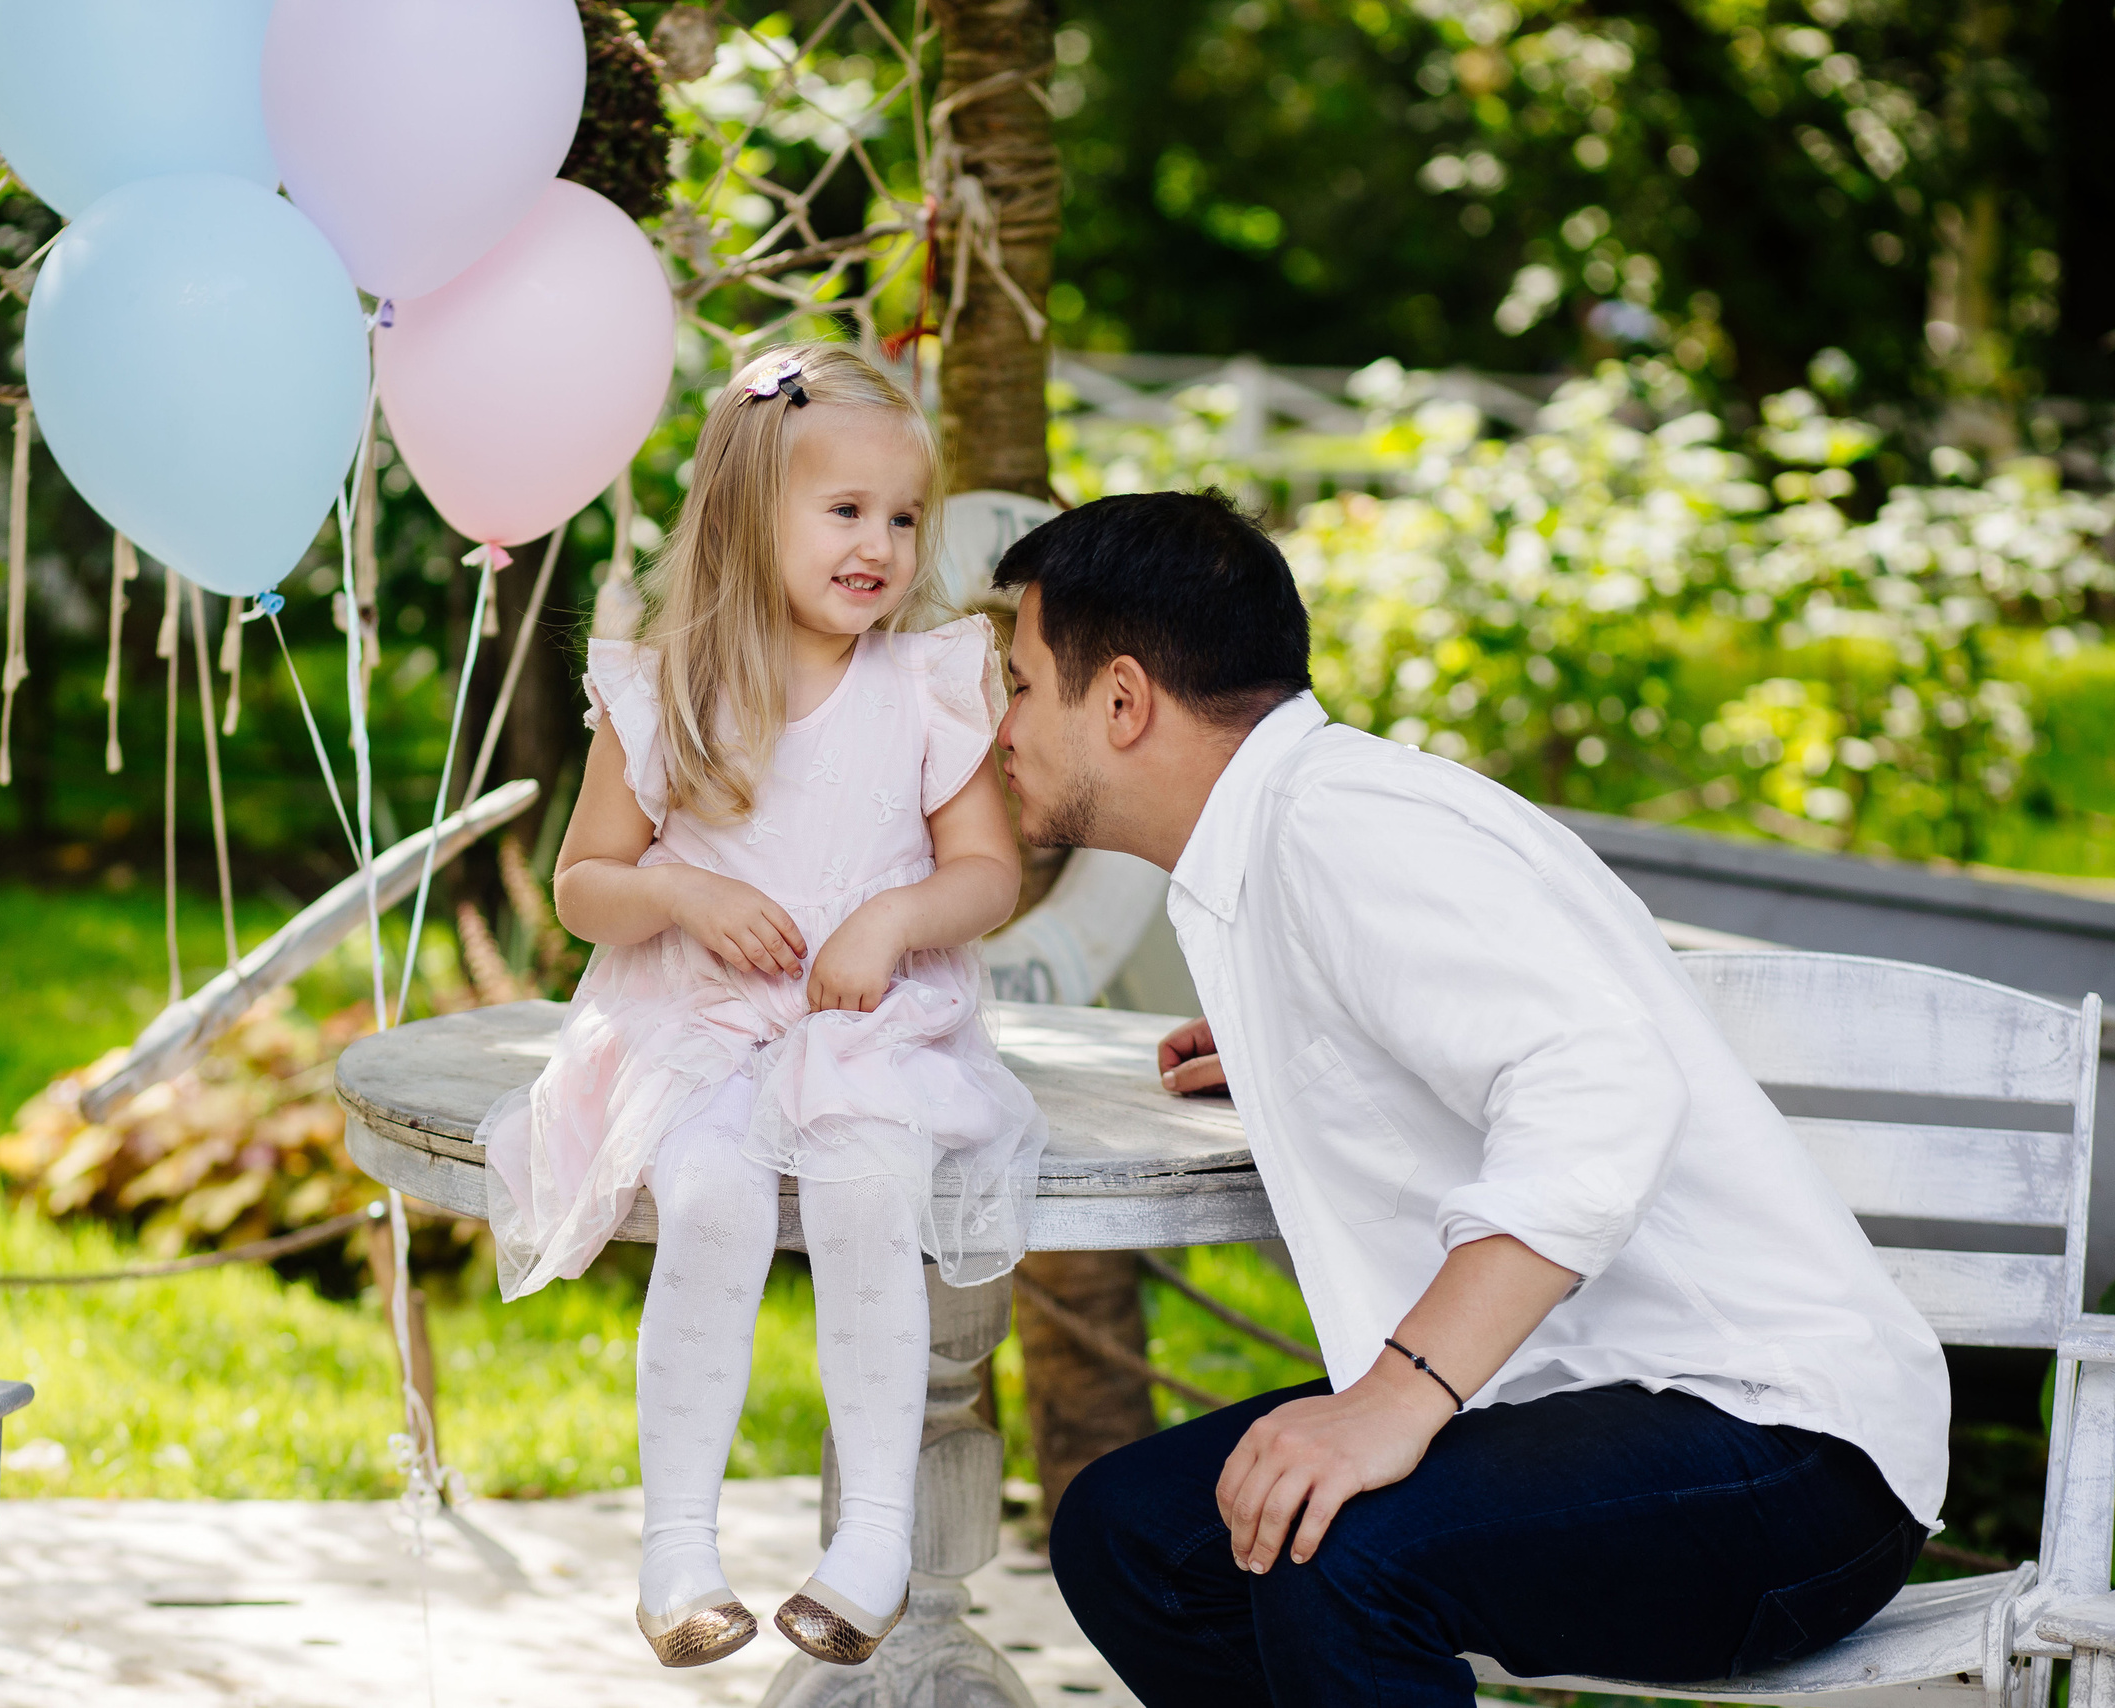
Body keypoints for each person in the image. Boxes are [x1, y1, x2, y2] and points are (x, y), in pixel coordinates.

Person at [987, 488, 1949, 1706]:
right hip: (1587, 1401)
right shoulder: (1290, 837)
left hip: (1780, 1449)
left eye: (1021, 683)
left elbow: (1601, 1088)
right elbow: (1490, 1025)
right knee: (1135, 1535)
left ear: (1122, 701)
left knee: (1334, 1554)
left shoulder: (1344, 828)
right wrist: (1307, 1036)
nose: (1001, 726)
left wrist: (1394, 1400)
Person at [483, 344, 1048, 1671]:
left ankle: (872, 1547)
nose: (882, 546)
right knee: (715, 1201)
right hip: (705, 1029)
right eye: (844, 512)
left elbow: (987, 873)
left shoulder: (926, 680)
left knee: (866, 1201)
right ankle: (677, 1546)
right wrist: (676, 892)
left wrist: (899, 916)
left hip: (875, 1033)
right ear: (751, 514)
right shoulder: (668, 683)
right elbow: (581, 887)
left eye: (904, 518)